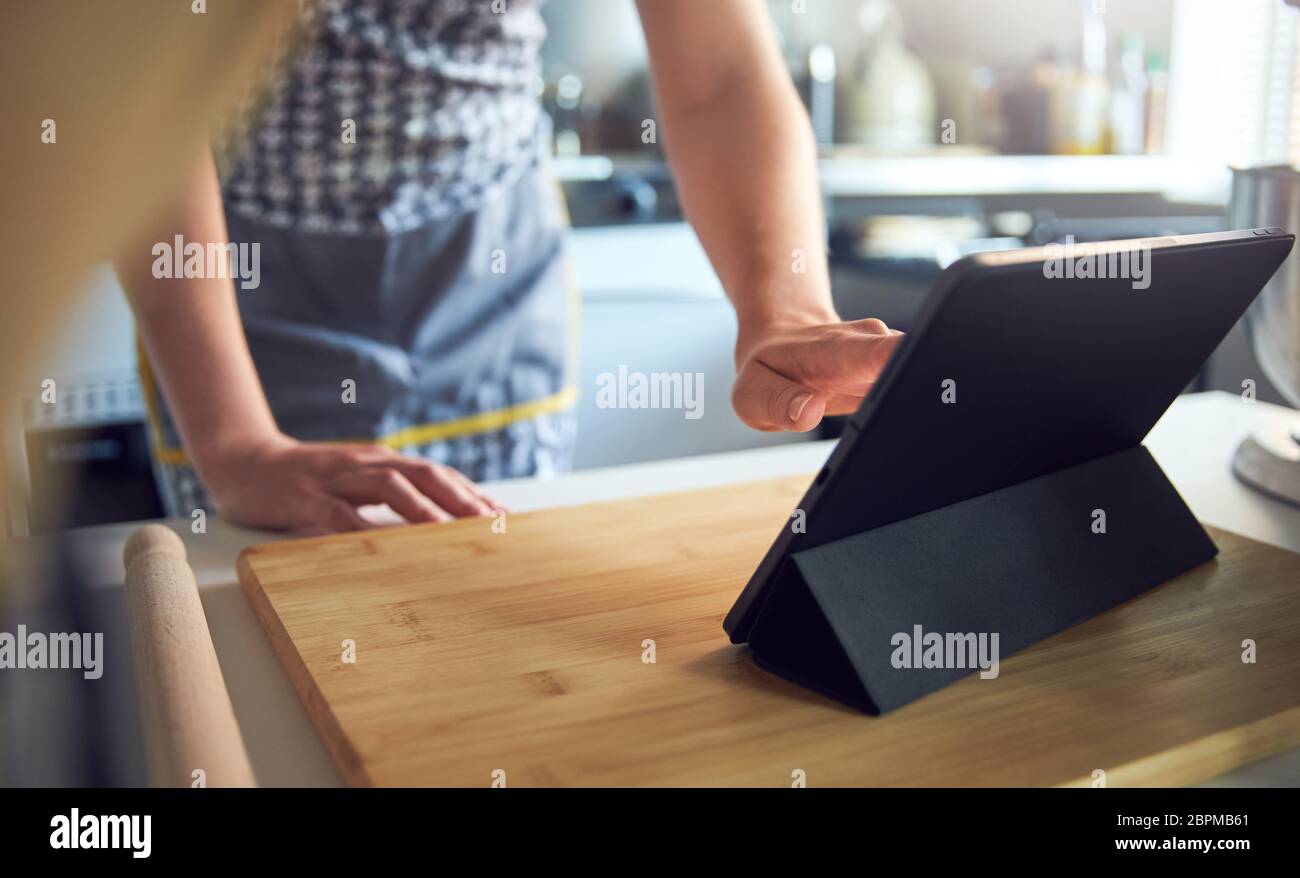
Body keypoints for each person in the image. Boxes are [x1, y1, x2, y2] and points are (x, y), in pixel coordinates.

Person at [116, 0, 902, 536]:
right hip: (235, 283)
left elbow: (719, 75)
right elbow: (129, 88)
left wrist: (785, 310)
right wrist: (237, 443)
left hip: (490, 279)